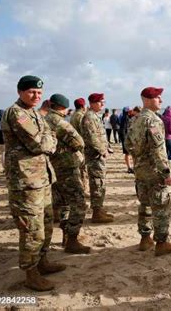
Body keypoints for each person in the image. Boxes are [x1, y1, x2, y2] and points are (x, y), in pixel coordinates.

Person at [2, 75, 66, 291]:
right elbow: (38, 143)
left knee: (46, 223)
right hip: (26, 182)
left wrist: (49, 139)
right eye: (31, 92)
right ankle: (31, 274)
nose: (36, 96)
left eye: (39, 93)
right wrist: (50, 140)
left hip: (41, 178)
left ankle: (42, 262)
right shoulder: (17, 114)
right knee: (31, 229)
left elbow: (47, 135)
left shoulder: (33, 113)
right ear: (20, 91)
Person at [125, 86, 171, 256]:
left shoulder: (135, 120)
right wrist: (166, 173)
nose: (161, 101)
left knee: (145, 205)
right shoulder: (154, 120)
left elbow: (127, 145)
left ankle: (145, 239)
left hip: (140, 170)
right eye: (158, 97)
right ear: (148, 100)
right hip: (154, 171)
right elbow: (158, 150)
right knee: (162, 206)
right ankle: (162, 243)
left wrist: (139, 158)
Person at [45, 94, 91, 254]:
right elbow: (79, 142)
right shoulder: (59, 122)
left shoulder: (44, 119)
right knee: (79, 203)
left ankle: (65, 235)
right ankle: (72, 239)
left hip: (53, 167)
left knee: (63, 202)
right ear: (64, 107)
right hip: (66, 167)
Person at [81, 93, 114, 223]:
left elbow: (100, 136)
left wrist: (107, 146)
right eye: (100, 102)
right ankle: (96, 213)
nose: (102, 104)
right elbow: (91, 138)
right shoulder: (89, 117)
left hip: (98, 155)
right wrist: (102, 150)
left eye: (103, 102)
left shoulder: (94, 116)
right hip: (95, 156)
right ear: (93, 103)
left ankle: (98, 209)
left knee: (100, 182)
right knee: (97, 183)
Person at [70, 98, 89, 196]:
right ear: (83, 106)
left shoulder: (73, 115)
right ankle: (84, 189)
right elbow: (84, 131)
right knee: (83, 168)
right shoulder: (81, 116)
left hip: (75, 144)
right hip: (81, 145)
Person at [119, 107, 133, 173]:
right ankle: (129, 167)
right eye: (129, 111)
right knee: (127, 153)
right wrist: (125, 139)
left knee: (127, 153)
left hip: (125, 136)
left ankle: (129, 167)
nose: (131, 112)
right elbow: (123, 129)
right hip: (125, 137)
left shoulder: (125, 117)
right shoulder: (125, 118)